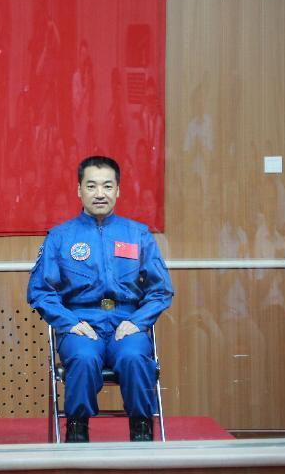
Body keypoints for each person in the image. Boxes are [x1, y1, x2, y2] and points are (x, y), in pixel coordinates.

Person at [27, 155, 173, 442]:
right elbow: (40, 291)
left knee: (134, 358)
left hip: (127, 323)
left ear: (118, 190)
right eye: (91, 186)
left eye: (107, 186)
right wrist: (68, 322)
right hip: (82, 324)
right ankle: (77, 431)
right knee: (82, 358)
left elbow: (160, 290)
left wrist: (138, 321)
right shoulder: (60, 236)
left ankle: (142, 431)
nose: (100, 193)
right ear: (79, 190)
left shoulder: (137, 234)